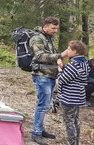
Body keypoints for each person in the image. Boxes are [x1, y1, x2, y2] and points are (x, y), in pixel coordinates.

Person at [30, 17, 70, 145]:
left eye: (57, 28)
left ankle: (41, 130)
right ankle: (36, 133)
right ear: (46, 26)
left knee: (46, 104)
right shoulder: (37, 38)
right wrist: (60, 55)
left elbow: (50, 54)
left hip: (50, 75)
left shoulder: (49, 38)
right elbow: (40, 56)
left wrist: (57, 59)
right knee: (42, 105)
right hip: (42, 75)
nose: (55, 31)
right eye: (53, 28)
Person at [57, 40, 90, 145]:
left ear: (75, 52)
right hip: (78, 96)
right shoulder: (85, 63)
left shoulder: (73, 65)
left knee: (69, 122)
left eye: (69, 49)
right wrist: (64, 67)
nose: (67, 51)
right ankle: (76, 141)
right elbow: (75, 75)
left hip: (69, 97)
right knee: (75, 120)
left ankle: (72, 143)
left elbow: (61, 80)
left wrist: (60, 70)